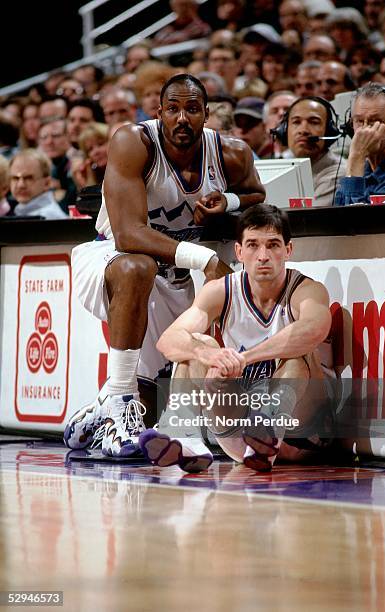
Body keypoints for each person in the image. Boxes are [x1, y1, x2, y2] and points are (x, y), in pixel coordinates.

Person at [64, 74, 265, 459]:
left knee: (153, 406)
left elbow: (258, 192)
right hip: (110, 258)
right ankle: (119, 403)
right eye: (173, 109)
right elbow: (128, 235)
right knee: (137, 266)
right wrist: (205, 258)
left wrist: (230, 201)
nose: (182, 118)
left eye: (192, 109)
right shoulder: (133, 141)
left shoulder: (232, 153)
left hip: (173, 273)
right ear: (159, 113)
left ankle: (100, 411)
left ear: (206, 115)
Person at [139, 203, 334, 473]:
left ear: (288, 250)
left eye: (273, 245)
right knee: (196, 345)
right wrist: (207, 354)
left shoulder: (306, 290)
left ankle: (268, 430)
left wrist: (244, 358)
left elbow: (315, 329)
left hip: (301, 433)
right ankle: (187, 436)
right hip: (239, 430)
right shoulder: (220, 291)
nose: (263, 255)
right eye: (253, 245)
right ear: (239, 252)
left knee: (298, 353)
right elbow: (168, 340)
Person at [335, 82, 385, 206]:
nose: (365, 129)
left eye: (375, 121)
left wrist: (357, 156)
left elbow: (361, 221)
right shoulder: (361, 167)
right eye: (359, 121)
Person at [273, 96, 346, 207]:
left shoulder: (338, 173)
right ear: (284, 130)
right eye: (296, 122)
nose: (303, 130)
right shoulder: (280, 167)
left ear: (329, 131)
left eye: (314, 122)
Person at [9, 149, 67, 219]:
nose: (21, 185)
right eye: (15, 178)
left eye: (29, 178)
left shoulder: (49, 217)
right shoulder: (21, 210)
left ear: (47, 183)